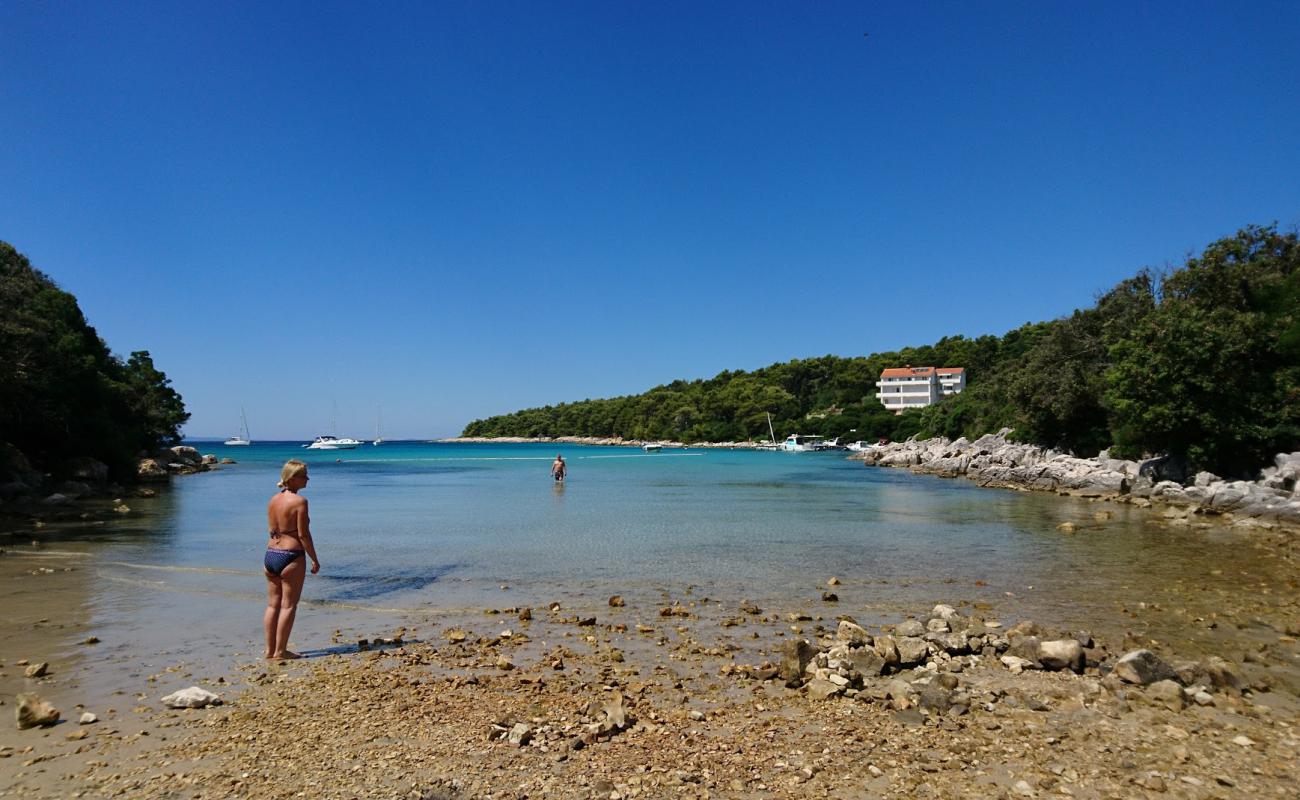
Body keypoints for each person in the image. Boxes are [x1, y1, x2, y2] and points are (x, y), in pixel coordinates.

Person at [263, 459, 321, 659]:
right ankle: (281, 651)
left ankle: (270, 650)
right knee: (288, 605)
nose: (308, 478)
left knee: (272, 605)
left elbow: (272, 529)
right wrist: (314, 559)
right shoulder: (300, 502)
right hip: (291, 555)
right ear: (293, 478)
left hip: (271, 555)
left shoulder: (273, 500)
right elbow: (303, 535)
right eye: (304, 475)